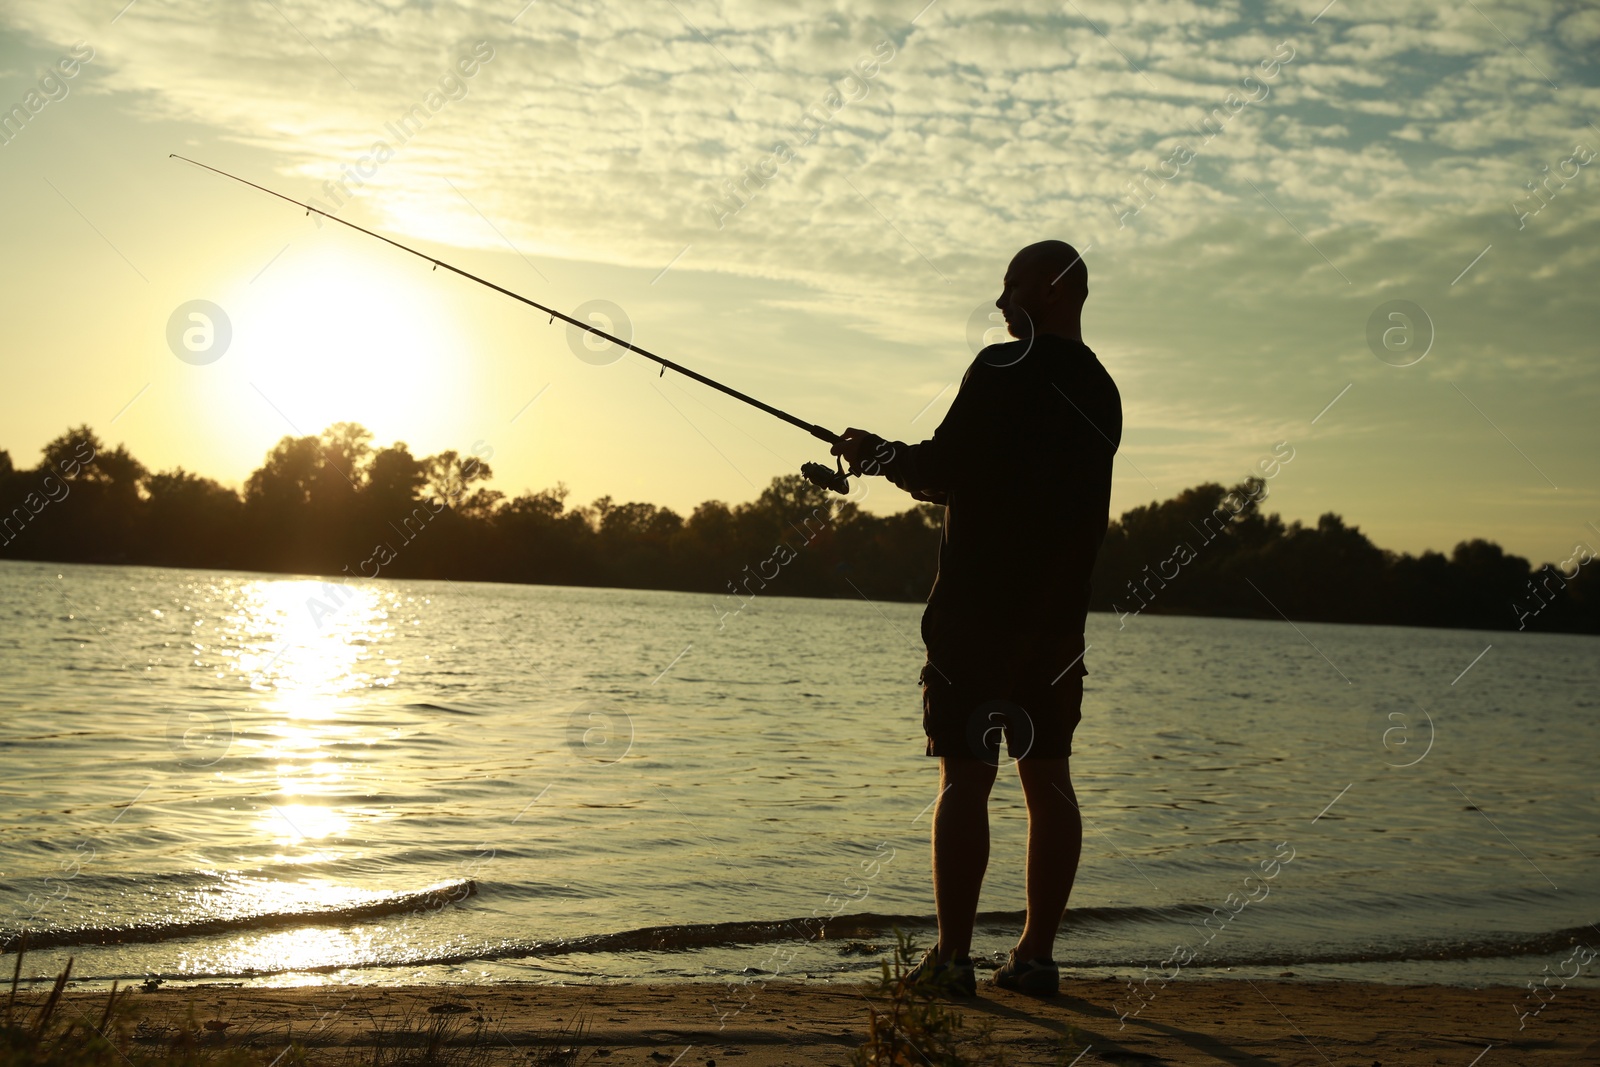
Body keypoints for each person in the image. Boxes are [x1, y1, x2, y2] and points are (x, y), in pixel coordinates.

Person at [831, 240, 1121, 997]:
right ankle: (1035, 958)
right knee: (1048, 779)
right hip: (1059, 624)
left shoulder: (1001, 368)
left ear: (1053, 290)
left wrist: (874, 452)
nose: (1000, 301)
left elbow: (943, 469)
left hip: (976, 616)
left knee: (966, 780)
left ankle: (953, 959)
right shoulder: (1102, 388)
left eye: (1012, 285)